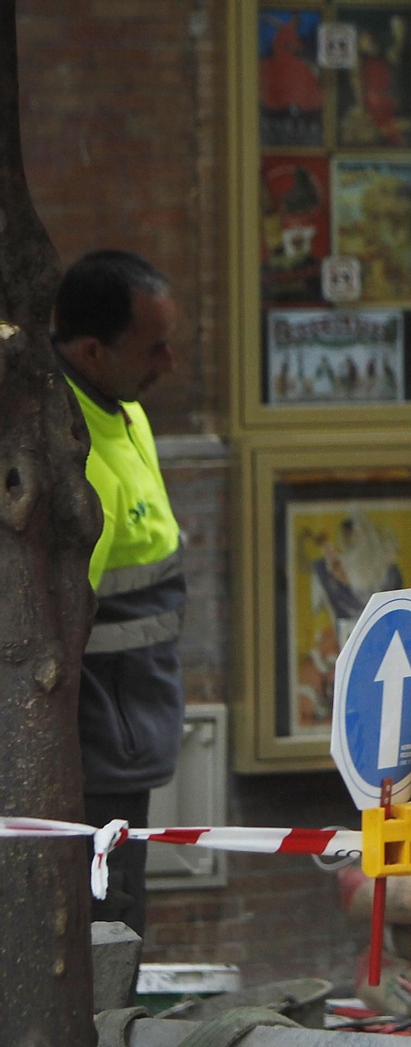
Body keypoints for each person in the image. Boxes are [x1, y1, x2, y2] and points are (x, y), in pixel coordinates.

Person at [54, 250, 185, 939]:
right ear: (91, 350)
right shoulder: (62, 444)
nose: (169, 362)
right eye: (153, 346)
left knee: (118, 899)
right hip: (94, 731)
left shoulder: (116, 402)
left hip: (127, 719)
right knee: (106, 910)